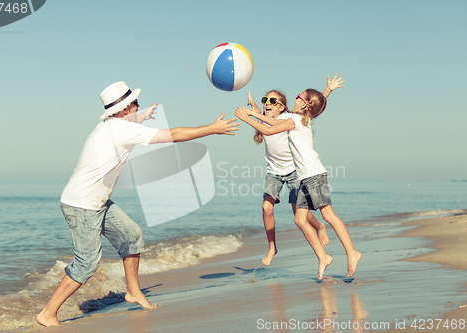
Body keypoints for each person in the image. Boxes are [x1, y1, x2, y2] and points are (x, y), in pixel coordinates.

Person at [36, 81, 239, 327]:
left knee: (131, 235)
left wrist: (142, 115)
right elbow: (173, 135)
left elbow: (129, 123)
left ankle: (133, 292)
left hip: (96, 201)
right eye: (134, 104)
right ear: (123, 110)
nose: (137, 106)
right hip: (82, 204)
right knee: (86, 263)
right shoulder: (121, 130)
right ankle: (47, 313)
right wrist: (212, 128)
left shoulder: (111, 126)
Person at [235, 85, 361, 280]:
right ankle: (323, 256)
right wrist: (327, 91)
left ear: (305, 104)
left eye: (299, 96)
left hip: (314, 174)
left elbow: (270, 130)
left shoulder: (295, 120)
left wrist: (247, 118)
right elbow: (276, 119)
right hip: (304, 178)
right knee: (300, 220)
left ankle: (352, 252)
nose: (297, 97)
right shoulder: (303, 118)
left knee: (328, 215)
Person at [248, 75, 344, 266]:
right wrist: (253, 110)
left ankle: (319, 226)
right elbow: (259, 116)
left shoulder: (289, 118)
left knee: (299, 213)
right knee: (266, 208)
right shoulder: (264, 120)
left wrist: (328, 91)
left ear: (282, 106)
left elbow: (310, 108)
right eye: (265, 100)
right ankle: (272, 247)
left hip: (294, 171)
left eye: (273, 101)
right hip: (274, 171)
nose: (268, 103)